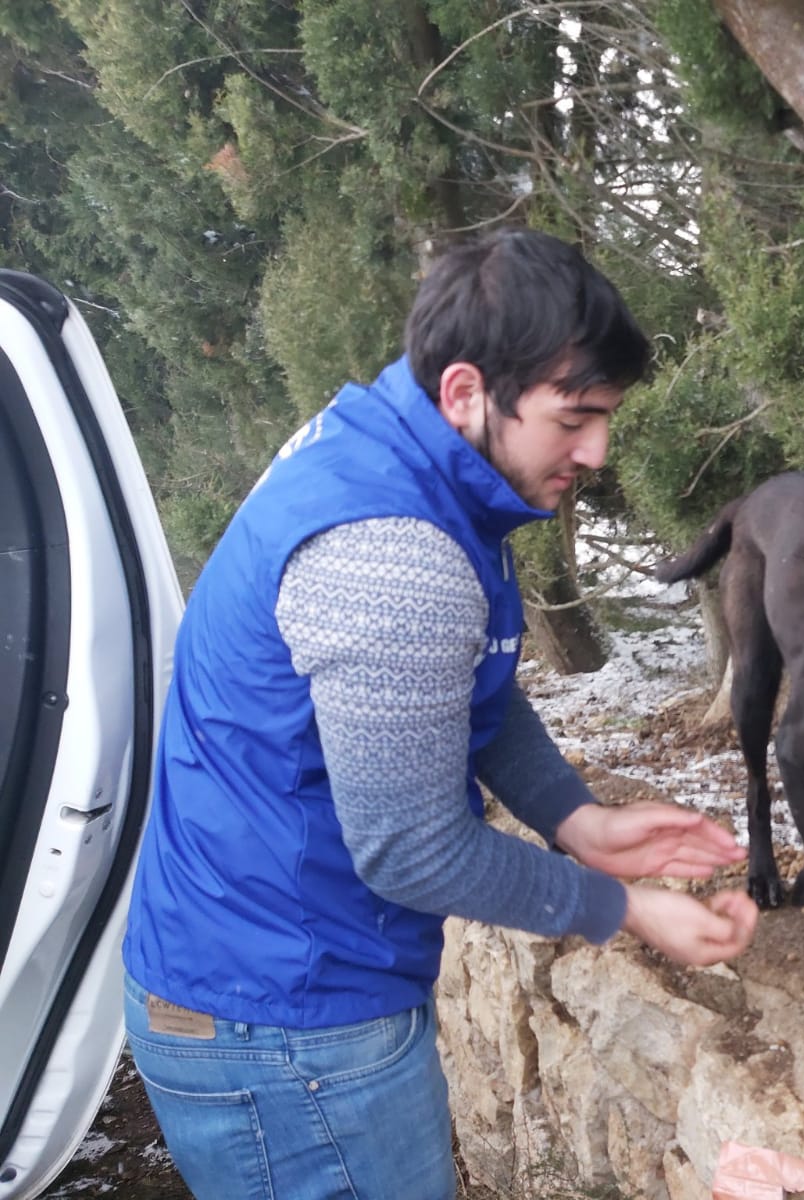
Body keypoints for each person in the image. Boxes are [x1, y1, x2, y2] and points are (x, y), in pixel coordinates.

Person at [121, 229, 759, 1200]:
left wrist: (577, 820)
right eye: (575, 418)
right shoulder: (394, 549)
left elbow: (466, 685)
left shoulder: (409, 455)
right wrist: (622, 908)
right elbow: (412, 850)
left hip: (273, 977)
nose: (598, 451)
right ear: (467, 392)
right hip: (285, 1022)